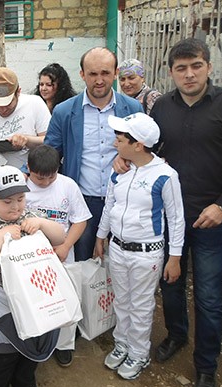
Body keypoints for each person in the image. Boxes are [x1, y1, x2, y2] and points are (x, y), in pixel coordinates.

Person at [142, 38, 222, 387]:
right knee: (171, 284)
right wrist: (127, 157)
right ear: (171, 73)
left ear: (209, 67)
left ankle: (206, 367)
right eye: (181, 68)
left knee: (210, 296)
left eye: (196, 65)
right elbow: (150, 150)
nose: (189, 74)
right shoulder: (161, 108)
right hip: (169, 219)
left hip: (212, 220)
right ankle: (176, 335)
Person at [93, 112, 185, 380]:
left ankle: (139, 352)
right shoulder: (120, 170)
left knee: (141, 304)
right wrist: (101, 236)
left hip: (147, 254)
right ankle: (122, 343)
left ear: (138, 145)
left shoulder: (165, 176)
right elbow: (111, 205)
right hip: (118, 249)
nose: (114, 143)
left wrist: (175, 257)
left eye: (119, 139)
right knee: (121, 300)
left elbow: (176, 218)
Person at [0, 165, 66, 387]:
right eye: (7, 201)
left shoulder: (29, 216)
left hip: (37, 300)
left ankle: (25, 385)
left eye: (20, 199)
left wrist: (41, 223)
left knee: (31, 350)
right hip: (3, 307)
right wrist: (2, 235)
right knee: (1, 358)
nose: (16, 206)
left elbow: (59, 236)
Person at [43, 47, 143, 262]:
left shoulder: (133, 109)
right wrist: (27, 173)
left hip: (123, 202)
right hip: (82, 202)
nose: (99, 80)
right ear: (82, 74)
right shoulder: (64, 111)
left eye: (105, 73)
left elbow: (144, 150)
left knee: (124, 263)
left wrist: (126, 157)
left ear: (115, 73)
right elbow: (50, 151)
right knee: (81, 263)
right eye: (93, 74)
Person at [24, 144, 91, 368]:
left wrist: (66, 246)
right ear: (28, 169)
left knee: (66, 299)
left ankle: (64, 345)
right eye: (39, 178)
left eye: (50, 177)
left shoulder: (67, 185)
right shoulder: (21, 187)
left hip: (62, 254)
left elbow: (80, 219)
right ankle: (37, 341)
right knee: (35, 300)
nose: (44, 182)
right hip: (30, 257)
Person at [0, 67, 50, 168]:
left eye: (7, 104)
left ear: (18, 92)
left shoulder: (35, 103)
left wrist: (27, 140)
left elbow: (49, 141)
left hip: (30, 171)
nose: (2, 110)